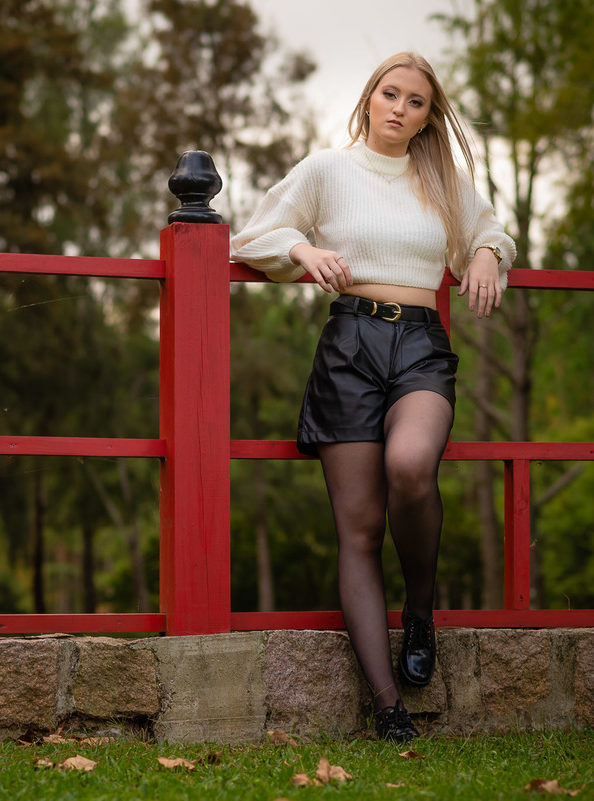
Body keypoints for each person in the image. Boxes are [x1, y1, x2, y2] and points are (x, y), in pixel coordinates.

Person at [230, 52, 515, 743]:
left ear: (427, 118)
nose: (399, 108)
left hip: (420, 346)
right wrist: (301, 251)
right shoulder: (327, 169)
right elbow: (253, 235)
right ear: (368, 99)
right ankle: (389, 707)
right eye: (390, 94)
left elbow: (490, 233)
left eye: (416, 102)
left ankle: (420, 610)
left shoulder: (441, 180)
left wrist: (484, 253)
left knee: (411, 466)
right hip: (350, 347)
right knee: (357, 531)